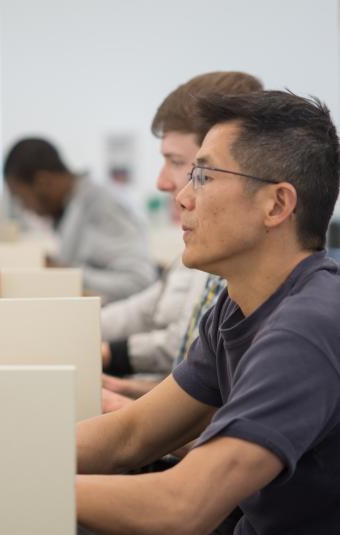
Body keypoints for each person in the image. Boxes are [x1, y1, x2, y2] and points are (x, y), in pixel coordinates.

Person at [77, 90, 340, 535]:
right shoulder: (235, 306)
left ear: (276, 205)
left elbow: (181, 507)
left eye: (202, 176)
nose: (181, 196)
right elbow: (132, 435)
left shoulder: (307, 328)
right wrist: (22, 457)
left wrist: (22, 483)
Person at [101, 72, 262, 403]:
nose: (164, 184)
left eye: (178, 163)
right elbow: (201, 398)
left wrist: (126, 405)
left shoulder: (268, 292)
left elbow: (233, 433)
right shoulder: (208, 262)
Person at [3, 138, 156, 303]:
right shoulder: (73, 205)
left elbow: (139, 282)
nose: (24, 208)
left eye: (21, 198)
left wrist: (66, 275)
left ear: (42, 182)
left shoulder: (102, 206)